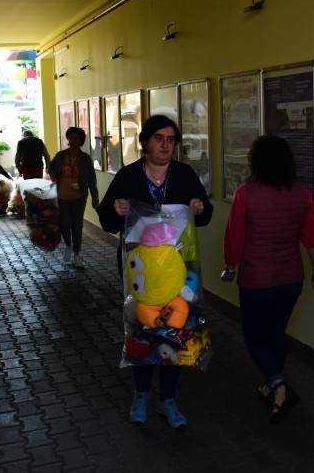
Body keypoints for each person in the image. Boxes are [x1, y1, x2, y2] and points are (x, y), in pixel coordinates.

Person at [96, 115, 213, 429]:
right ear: (145, 142)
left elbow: (204, 215)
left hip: (178, 269)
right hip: (140, 272)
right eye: (158, 138)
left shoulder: (184, 175)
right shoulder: (128, 176)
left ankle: (168, 399)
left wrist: (199, 207)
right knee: (142, 330)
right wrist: (117, 210)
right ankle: (141, 394)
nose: (165, 145)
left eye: (171, 139)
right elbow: (106, 219)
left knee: (174, 330)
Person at [222, 135, 314, 425]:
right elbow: (310, 237)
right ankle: (270, 386)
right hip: (291, 278)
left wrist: (230, 267)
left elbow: (235, 236)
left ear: (255, 162)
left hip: (257, 280)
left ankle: (278, 385)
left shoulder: (246, 194)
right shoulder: (301, 193)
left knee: (254, 335)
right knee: (277, 332)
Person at [48, 127, 99, 268]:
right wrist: (54, 176)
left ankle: (77, 254)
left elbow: (92, 179)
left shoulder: (85, 159)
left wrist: (95, 198)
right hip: (62, 196)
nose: (73, 141)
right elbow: (51, 167)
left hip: (79, 197)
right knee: (64, 224)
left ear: (81, 140)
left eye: (76, 138)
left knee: (77, 225)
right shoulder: (61, 155)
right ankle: (68, 246)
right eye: (70, 138)